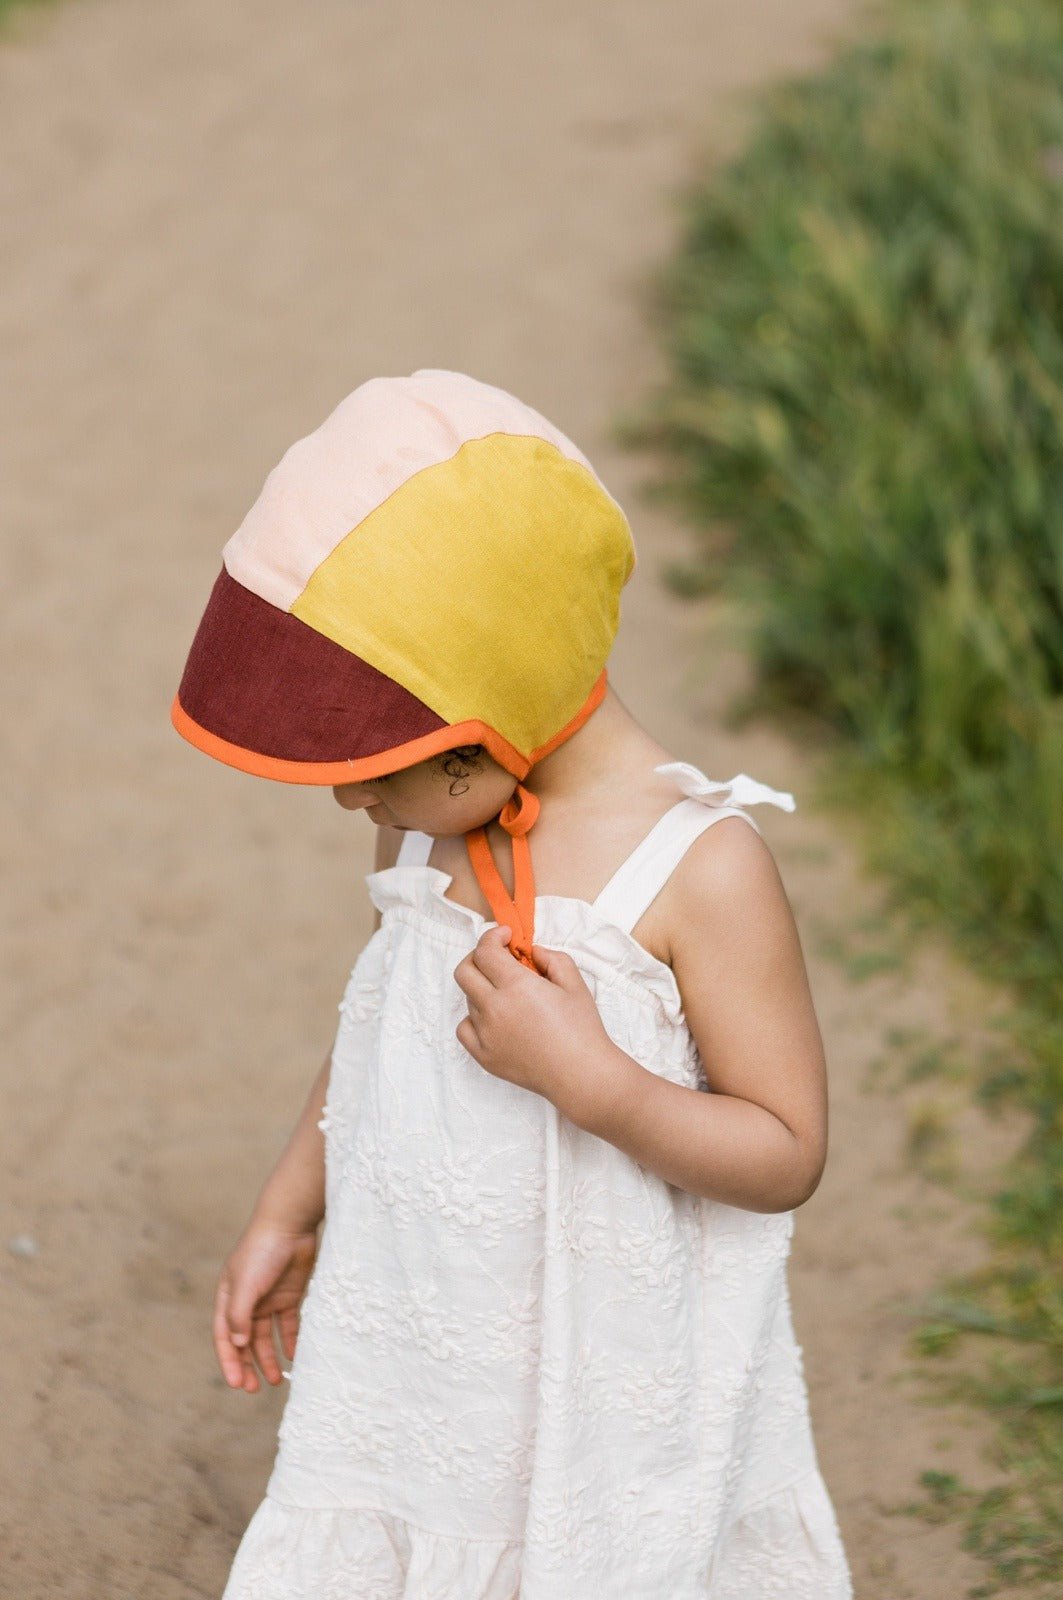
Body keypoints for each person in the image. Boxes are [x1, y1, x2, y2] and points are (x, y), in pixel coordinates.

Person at [170, 368, 853, 1599]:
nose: (349, 796)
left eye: (376, 761)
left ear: (492, 716)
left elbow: (786, 1148)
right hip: (430, 1348)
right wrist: (292, 1198)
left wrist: (600, 1086)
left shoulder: (702, 870)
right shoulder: (431, 825)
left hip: (612, 1392)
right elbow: (388, 1019)